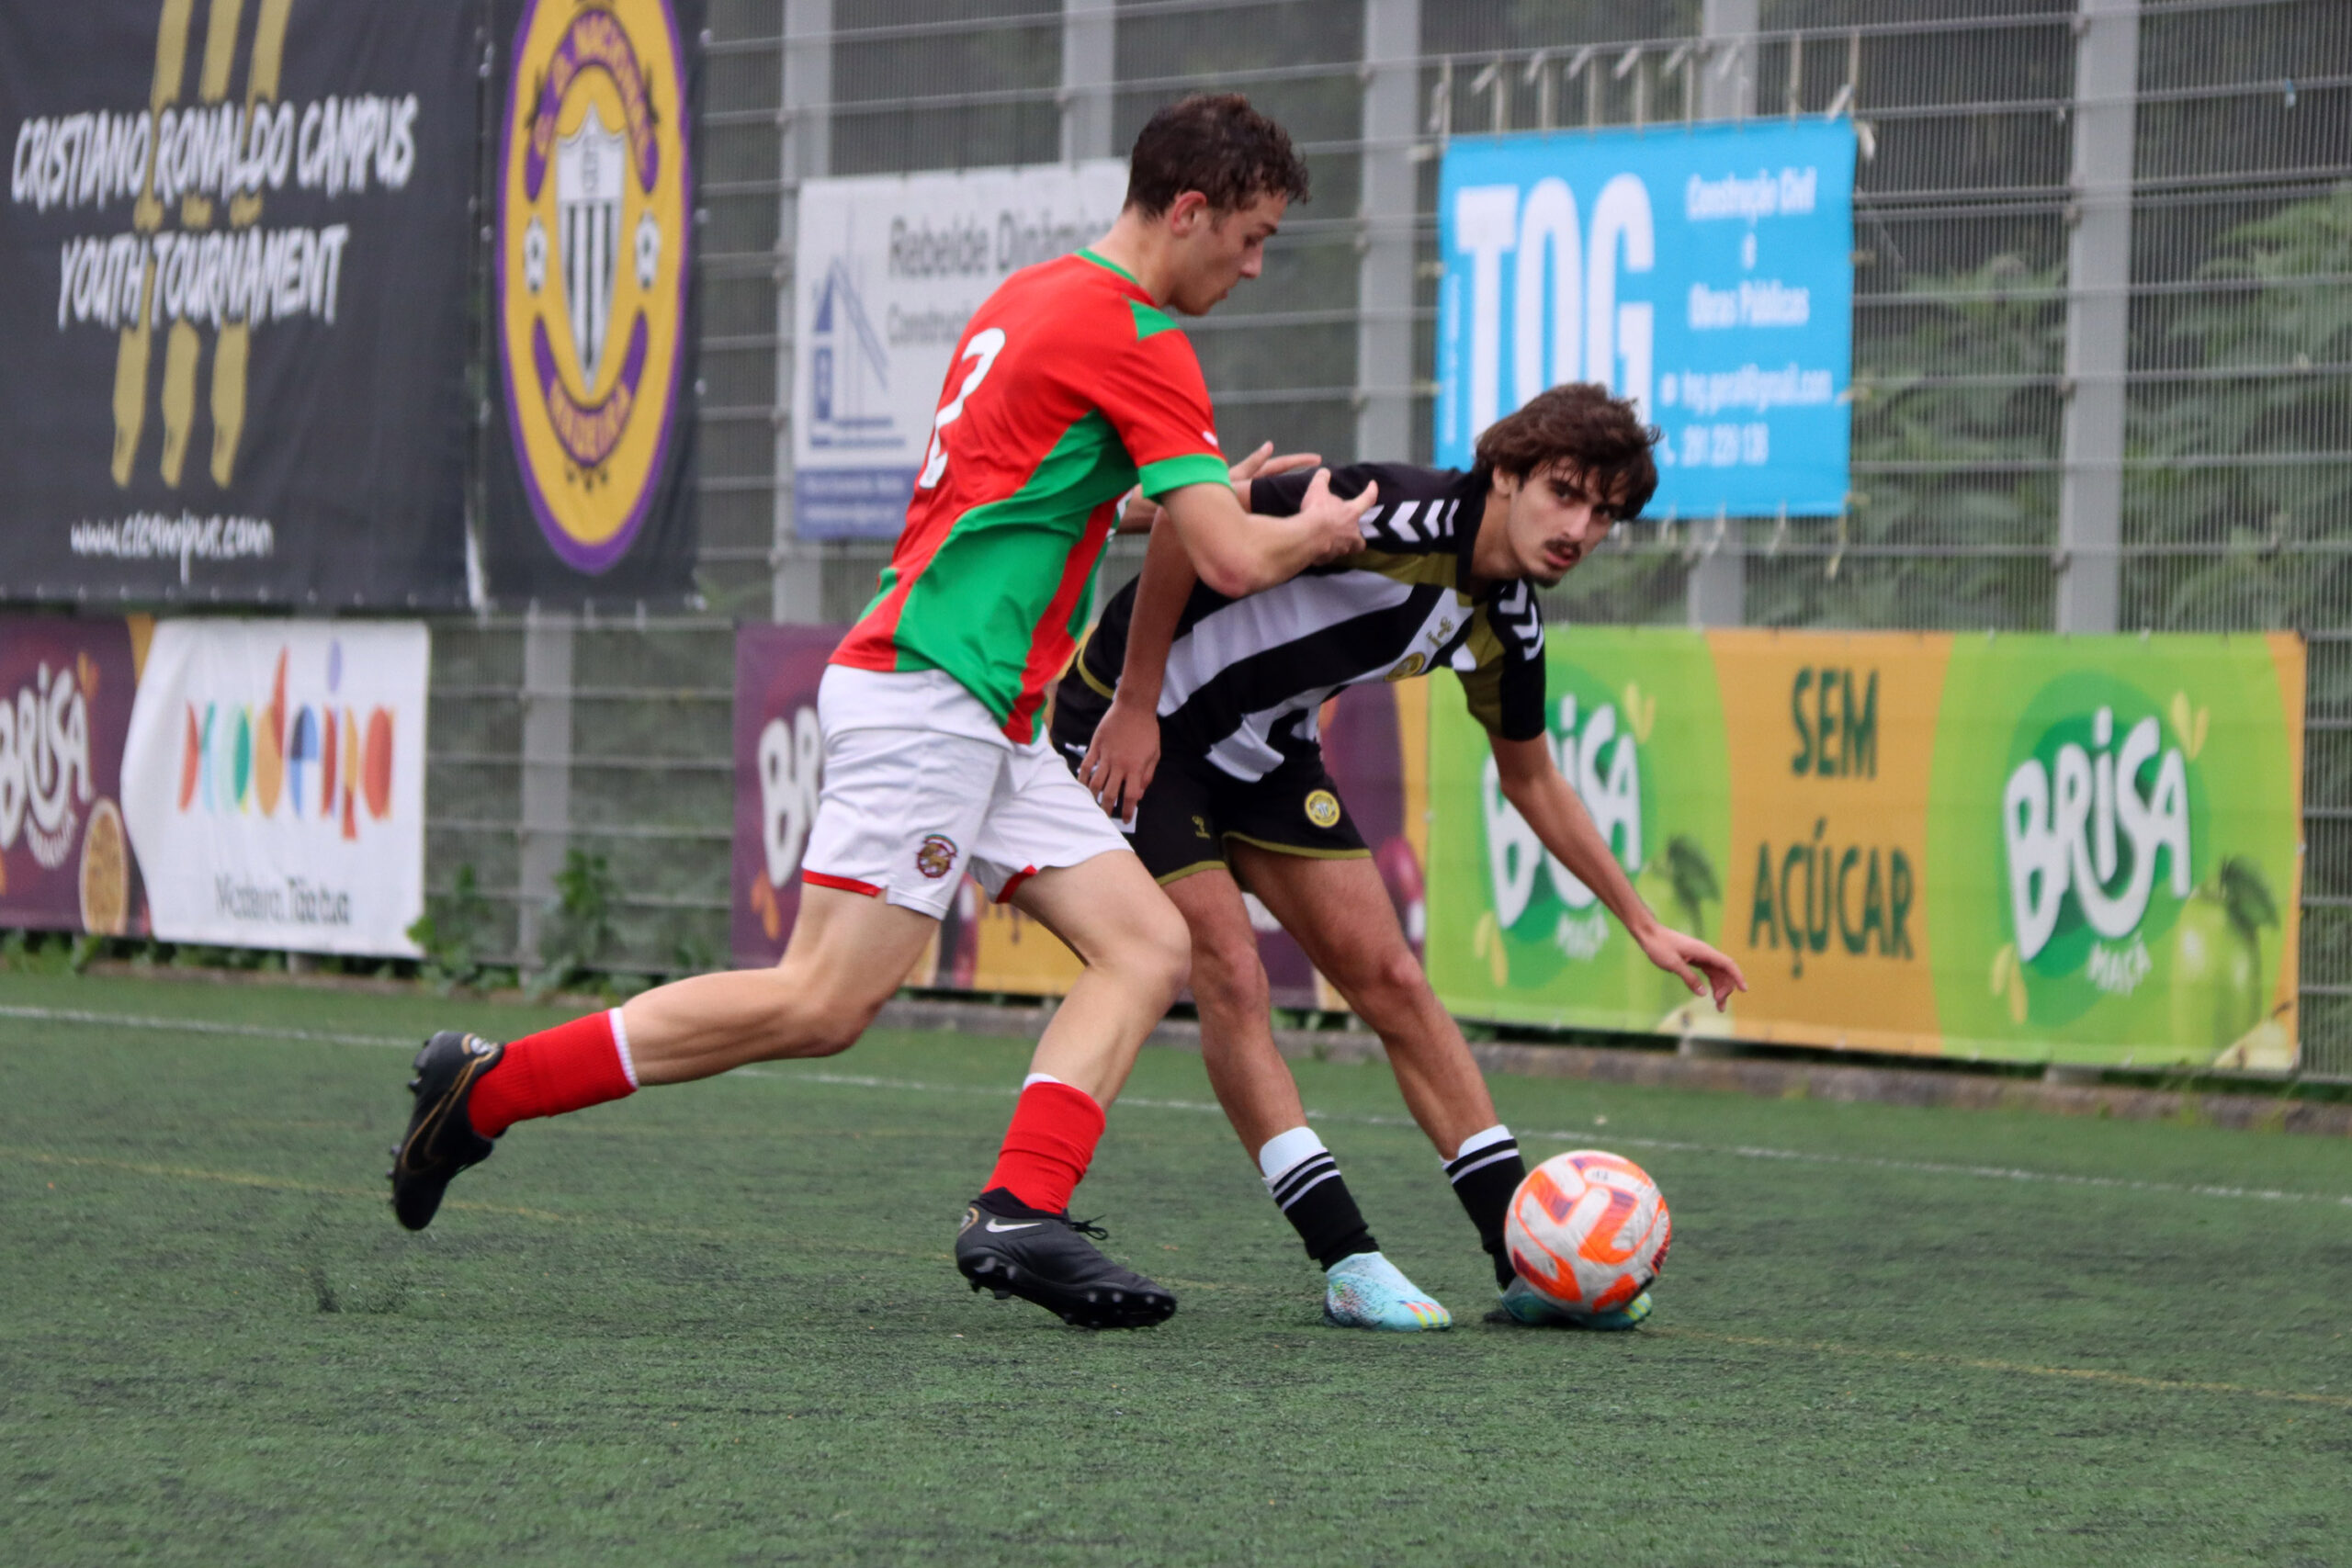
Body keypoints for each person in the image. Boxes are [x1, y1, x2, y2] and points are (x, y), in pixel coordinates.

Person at [390, 94, 1378, 1330]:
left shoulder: (1035, 297)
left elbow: (1041, 499)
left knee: (1147, 943)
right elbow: (1229, 562)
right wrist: (1320, 532)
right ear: (1190, 210)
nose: (1255, 263)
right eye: (1252, 234)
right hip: (934, 695)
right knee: (821, 1000)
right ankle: (482, 1093)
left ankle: (1023, 1203)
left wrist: (1188, 503)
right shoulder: (1138, 335)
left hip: (982, 711)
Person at [1049, 382, 1747, 1332]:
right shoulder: (1386, 506)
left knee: (1393, 981)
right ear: (1505, 472)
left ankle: (1529, 1259)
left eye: (1604, 514)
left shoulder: (1508, 624)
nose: (1580, 527)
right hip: (1138, 731)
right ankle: (1346, 1259)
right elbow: (1186, 519)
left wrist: (1643, 922)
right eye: (1565, 492)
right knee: (1232, 972)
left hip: (1263, 753)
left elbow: (1534, 782)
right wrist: (1130, 705)